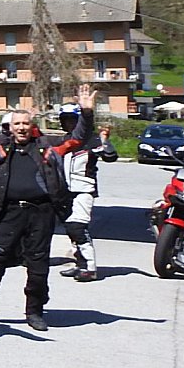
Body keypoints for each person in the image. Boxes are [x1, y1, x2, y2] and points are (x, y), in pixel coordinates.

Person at [0, 85, 94, 332]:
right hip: (9, 213)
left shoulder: (49, 147)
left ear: (32, 126)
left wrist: (86, 113)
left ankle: (34, 311)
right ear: (10, 127)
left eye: (25, 123)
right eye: (17, 124)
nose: (21, 127)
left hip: (41, 213)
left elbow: (78, 138)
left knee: (38, 265)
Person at [60, 111, 117, 282]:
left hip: (84, 189)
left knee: (78, 227)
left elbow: (110, 157)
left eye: (73, 120)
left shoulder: (92, 140)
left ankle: (90, 268)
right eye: (65, 120)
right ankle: (80, 263)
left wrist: (105, 141)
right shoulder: (65, 140)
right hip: (65, 191)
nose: (69, 123)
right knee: (70, 229)